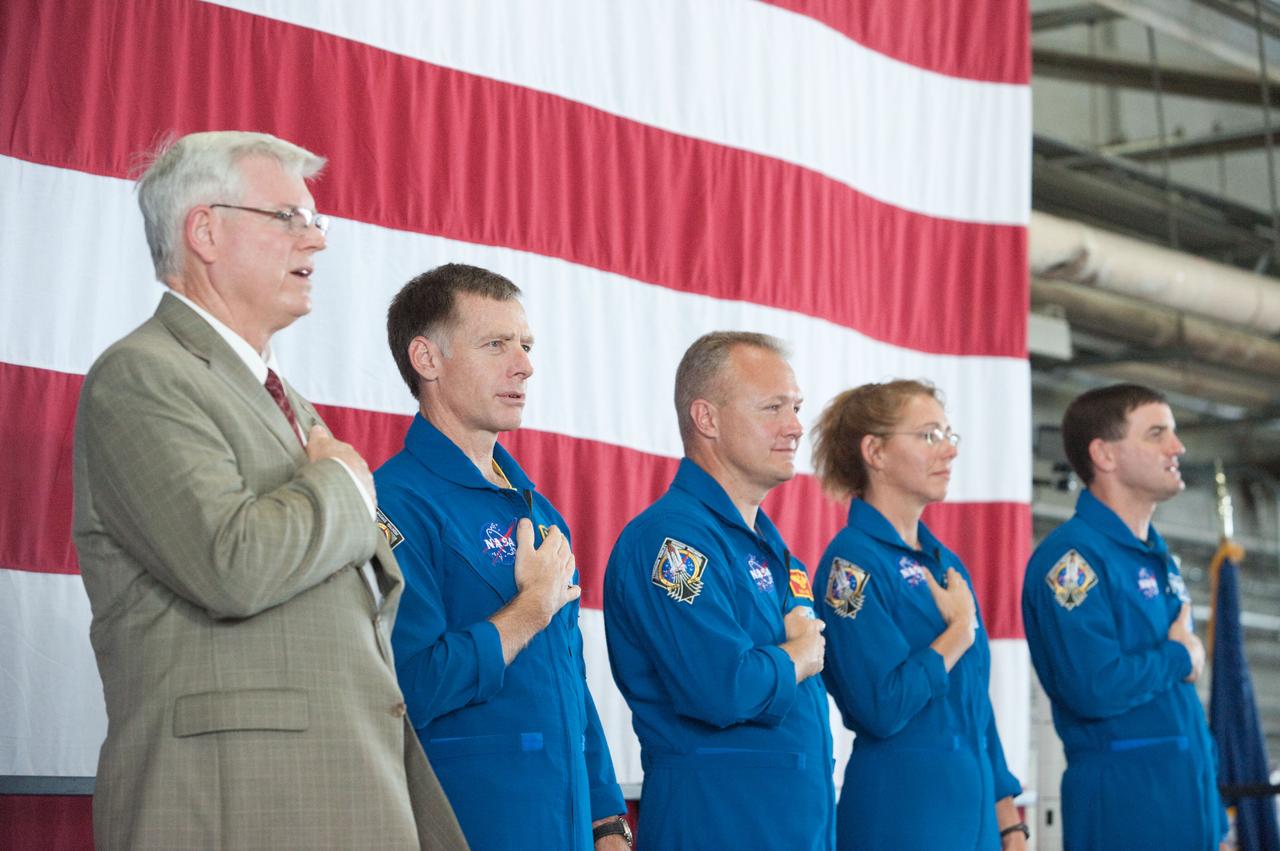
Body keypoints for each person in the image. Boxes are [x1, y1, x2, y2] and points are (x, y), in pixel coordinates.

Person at [72, 131, 466, 850]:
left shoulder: (288, 399)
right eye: (288, 217)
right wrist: (346, 484)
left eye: (315, 220)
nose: (314, 240)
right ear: (205, 230)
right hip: (234, 805)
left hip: (334, 792)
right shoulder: (142, 375)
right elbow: (231, 561)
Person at [373, 263, 630, 850]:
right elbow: (407, 685)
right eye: (496, 344)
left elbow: (570, 677)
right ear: (427, 359)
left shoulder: (539, 513)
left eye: (527, 345)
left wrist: (607, 817)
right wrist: (530, 607)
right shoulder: (395, 504)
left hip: (566, 826)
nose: (525, 364)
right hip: (469, 824)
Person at [603, 331, 835, 851]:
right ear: (706, 419)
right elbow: (721, 687)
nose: (796, 426)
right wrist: (800, 654)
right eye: (773, 407)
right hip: (718, 823)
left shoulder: (770, 549)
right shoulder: (671, 541)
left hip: (790, 826)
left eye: (795, 406)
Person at [810, 380, 1025, 850]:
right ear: (876, 451)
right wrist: (955, 636)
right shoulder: (851, 565)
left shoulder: (945, 563)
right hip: (905, 813)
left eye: (950, 436)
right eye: (929, 435)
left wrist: (1008, 820)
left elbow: (975, 708)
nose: (948, 451)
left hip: (975, 814)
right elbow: (880, 707)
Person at [1023, 383, 1229, 851]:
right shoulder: (1073, 560)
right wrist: (1179, 656)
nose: (1176, 447)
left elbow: (1177, 710)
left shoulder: (1156, 556)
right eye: (1157, 433)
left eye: (1173, 433)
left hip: (1187, 805)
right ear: (1105, 455)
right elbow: (1093, 687)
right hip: (1125, 809)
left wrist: (1213, 822)